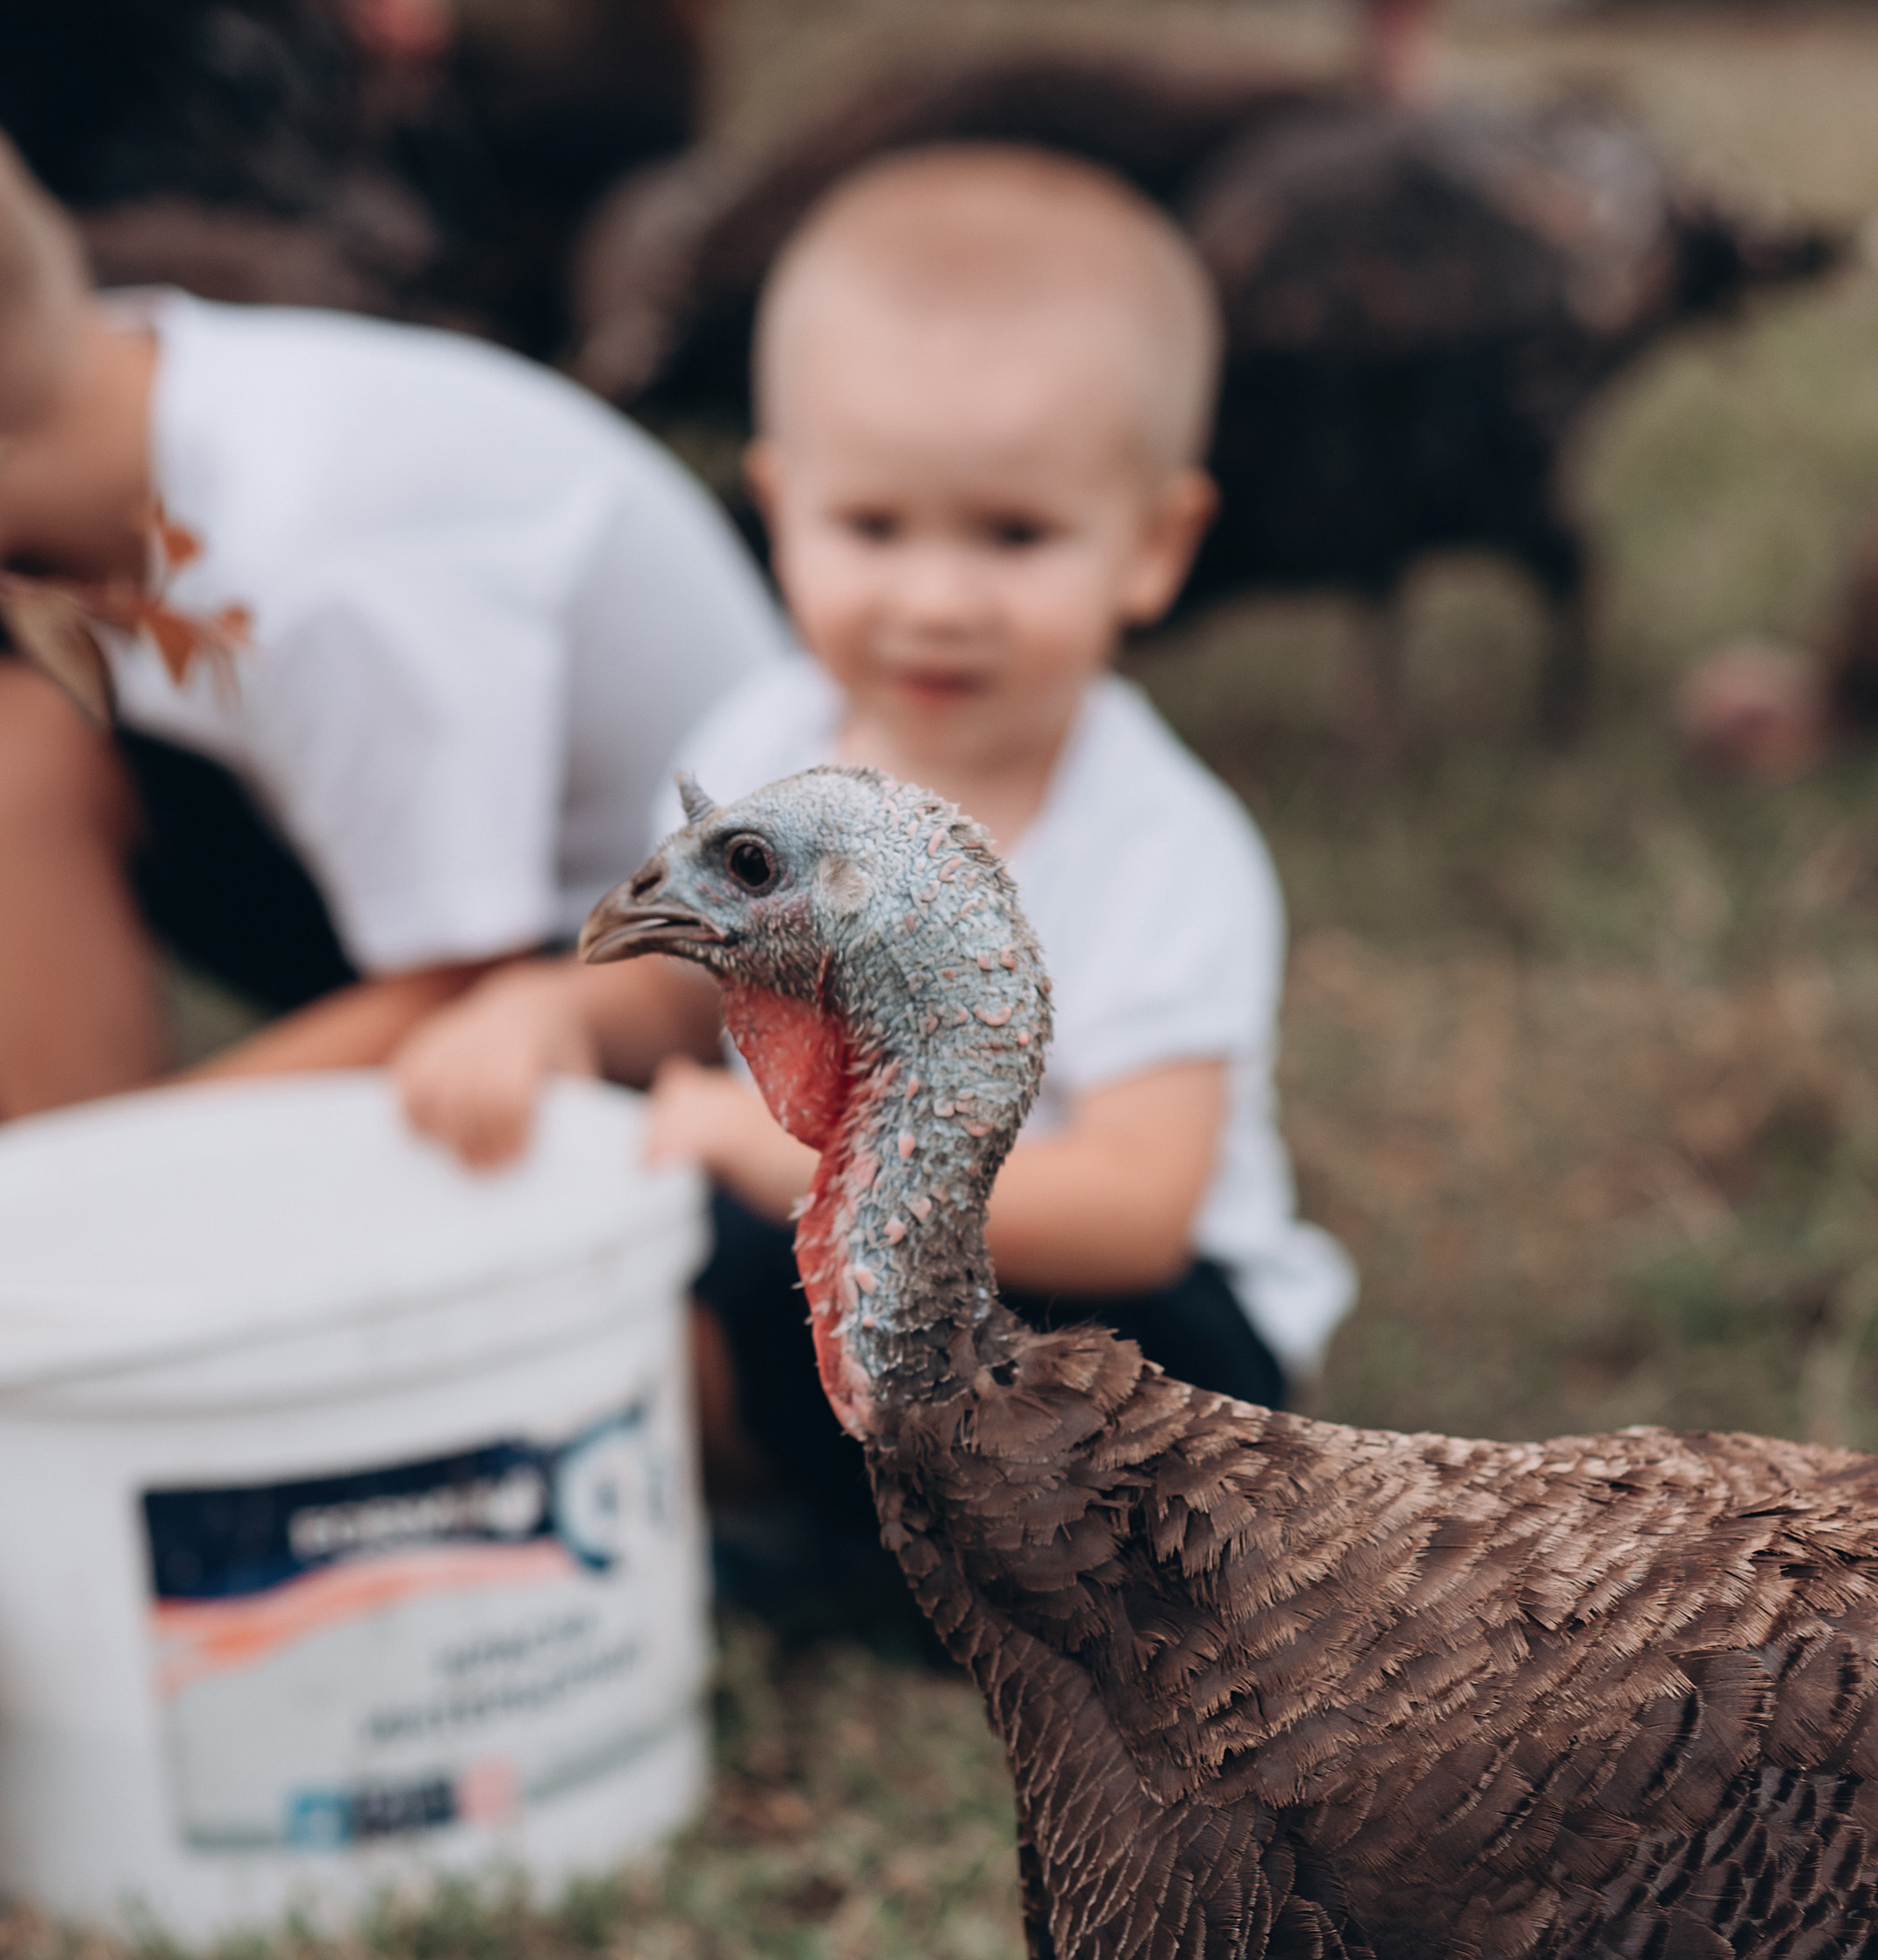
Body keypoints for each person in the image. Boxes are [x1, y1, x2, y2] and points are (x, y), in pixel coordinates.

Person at [0, 8, 781, 1460]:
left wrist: (74, 1203)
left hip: (689, 995)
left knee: (670, 1386)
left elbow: (470, 989)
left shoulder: (315, 559)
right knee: (1, 738)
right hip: (446, 927)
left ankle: (151, 1304)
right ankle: (130, 1328)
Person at [399, 143, 1355, 1549]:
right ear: (778, 507)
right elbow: (672, 983)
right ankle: (783, 1498)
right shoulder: (779, 729)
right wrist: (551, 1009)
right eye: (872, 525)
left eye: (1015, 534)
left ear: (1155, 546)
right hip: (892, 1296)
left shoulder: (1158, 838)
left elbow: (1141, 1207)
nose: (936, 598)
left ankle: (885, 1539)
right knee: (664, 1248)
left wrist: (784, 1156)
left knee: (788, 1246)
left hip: (1147, 1334)